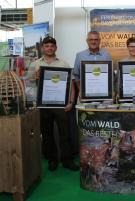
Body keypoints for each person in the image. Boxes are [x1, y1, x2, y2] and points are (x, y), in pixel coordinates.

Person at [31, 36, 78, 171]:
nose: (49, 48)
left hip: (61, 105)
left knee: (65, 133)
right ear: (42, 48)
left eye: (52, 45)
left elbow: (72, 86)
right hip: (43, 106)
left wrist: (71, 102)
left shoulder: (63, 64)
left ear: (56, 48)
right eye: (47, 46)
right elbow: (28, 85)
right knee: (47, 134)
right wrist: (34, 77)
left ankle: (67, 160)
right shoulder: (35, 65)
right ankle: (52, 159)